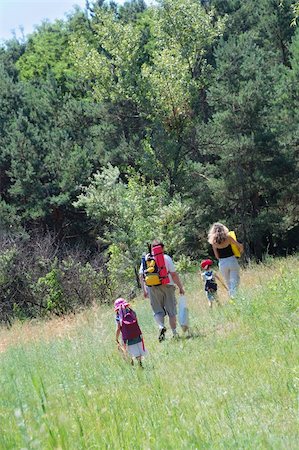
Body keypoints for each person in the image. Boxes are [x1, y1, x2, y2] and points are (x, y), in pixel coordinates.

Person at [139, 239, 185, 341]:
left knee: (157, 310)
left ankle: (161, 326)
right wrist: (180, 287)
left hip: (152, 288)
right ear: (162, 248)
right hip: (167, 286)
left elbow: (141, 275)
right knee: (171, 311)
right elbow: (173, 274)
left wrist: (144, 290)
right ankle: (174, 333)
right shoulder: (166, 258)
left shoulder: (146, 259)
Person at [208, 223, 243, 298]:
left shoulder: (213, 242)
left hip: (222, 263)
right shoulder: (228, 237)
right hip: (232, 260)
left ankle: (232, 297)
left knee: (228, 283)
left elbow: (217, 256)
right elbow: (239, 246)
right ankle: (234, 297)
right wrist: (239, 252)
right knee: (235, 281)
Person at [114, 298, 147, 367]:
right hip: (136, 335)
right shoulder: (132, 312)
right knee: (137, 349)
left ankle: (131, 365)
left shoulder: (118, 316)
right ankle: (140, 363)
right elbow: (137, 322)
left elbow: (118, 328)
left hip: (127, 338)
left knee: (128, 352)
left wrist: (116, 338)